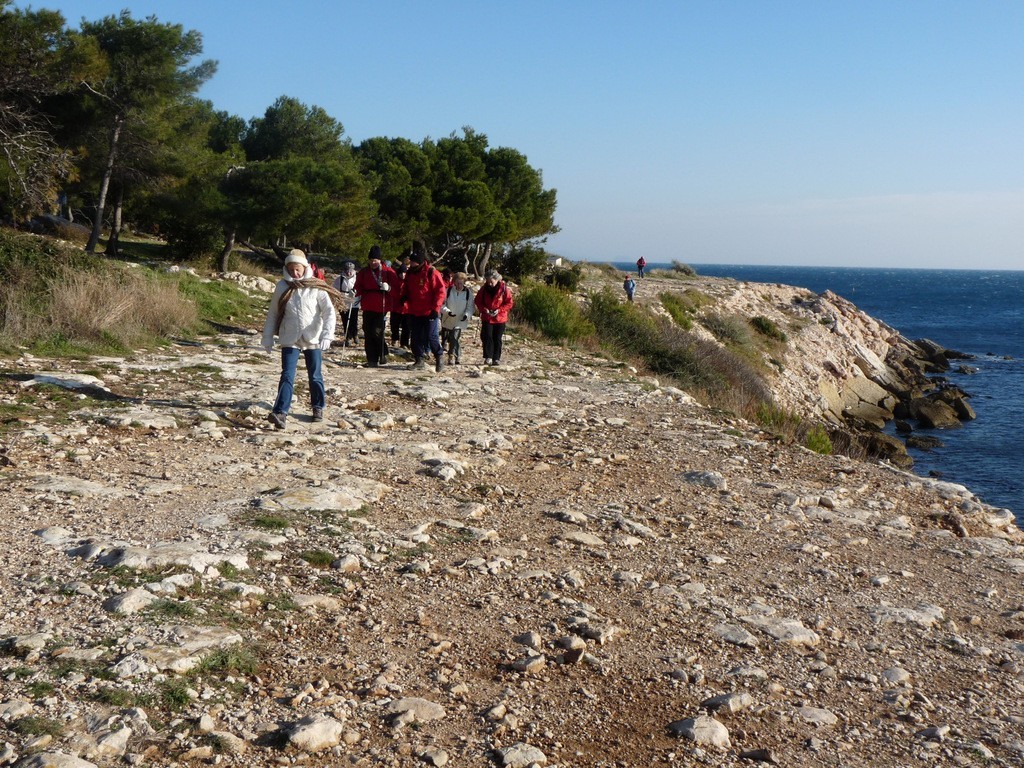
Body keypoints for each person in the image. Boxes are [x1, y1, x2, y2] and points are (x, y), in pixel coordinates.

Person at [261, 249, 338, 429]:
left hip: (313, 338)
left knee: (315, 375)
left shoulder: (316, 285)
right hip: (290, 336)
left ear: (305, 268)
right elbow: (273, 313)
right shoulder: (282, 286)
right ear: (286, 268)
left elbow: (329, 312)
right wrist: (267, 337)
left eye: (298, 269)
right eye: (291, 269)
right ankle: (281, 412)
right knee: (287, 374)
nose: (295, 273)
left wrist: (327, 334)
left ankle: (318, 406)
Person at [399, 250, 447, 371]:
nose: (412, 264)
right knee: (415, 337)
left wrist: (436, 308)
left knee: (432, 336)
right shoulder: (410, 273)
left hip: (429, 311)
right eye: (411, 262)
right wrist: (403, 296)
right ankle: (419, 359)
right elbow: (405, 287)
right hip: (414, 310)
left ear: (420, 262)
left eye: (414, 262)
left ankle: (439, 356)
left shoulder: (431, 272)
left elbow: (440, 292)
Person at [354, 245, 397, 367]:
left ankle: (383, 353)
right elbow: (358, 286)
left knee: (377, 331)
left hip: (382, 306)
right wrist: (355, 292)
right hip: (367, 305)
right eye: (371, 260)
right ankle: (372, 359)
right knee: (368, 332)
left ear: (380, 260)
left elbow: (397, 290)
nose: (373, 262)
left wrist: (388, 288)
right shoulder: (364, 272)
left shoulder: (388, 272)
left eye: (375, 260)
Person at [474, 269, 514, 366]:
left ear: (497, 280)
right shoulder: (484, 289)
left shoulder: (504, 289)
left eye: (491, 281)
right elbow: (478, 301)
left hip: (500, 318)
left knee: (497, 338)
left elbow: (509, 303)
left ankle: (496, 358)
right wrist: (484, 309)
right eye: (488, 281)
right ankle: (488, 357)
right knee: (487, 337)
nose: (490, 283)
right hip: (487, 317)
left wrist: (499, 310)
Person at [440, 272, 474, 365]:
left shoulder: (468, 293)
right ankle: (458, 355)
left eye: (461, 283)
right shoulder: (448, 291)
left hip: (460, 319)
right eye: (458, 283)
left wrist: (467, 315)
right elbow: (442, 304)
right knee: (453, 338)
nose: (460, 285)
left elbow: (470, 307)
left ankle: (451, 356)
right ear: (454, 282)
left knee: (454, 337)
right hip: (448, 318)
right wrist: (447, 312)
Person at [333, 261, 359, 346]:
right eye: (347, 270)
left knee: (353, 320)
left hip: (354, 302)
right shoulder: (339, 279)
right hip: (343, 302)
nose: (349, 272)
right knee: (345, 320)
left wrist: (356, 293)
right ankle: (348, 336)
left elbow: (361, 288)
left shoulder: (357, 278)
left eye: (350, 270)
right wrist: (338, 298)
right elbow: (334, 290)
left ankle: (355, 334)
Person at [390, 257, 411, 348]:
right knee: (394, 325)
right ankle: (395, 339)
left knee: (406, 327)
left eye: (404, 273)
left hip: (406, 308)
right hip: (396, 307)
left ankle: (404, 343)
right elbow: (392, 292)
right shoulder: (395, 281)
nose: (403, 275)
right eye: (401, 273)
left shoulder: (409, 282)